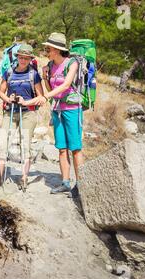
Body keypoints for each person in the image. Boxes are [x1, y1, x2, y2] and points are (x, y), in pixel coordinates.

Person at [0, 44, 46, 190]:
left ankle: (24, 178)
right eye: (21, 57)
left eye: (26, 58)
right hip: (10, 112)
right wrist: (8, 99)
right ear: (17, 57)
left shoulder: (34, 75)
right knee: (2, 143)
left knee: (26, 145)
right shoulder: (9, 72)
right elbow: (1, 92)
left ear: (30, 59)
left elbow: (41, 97)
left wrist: (26, 102)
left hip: (28, 113)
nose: (23, 60)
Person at [42, 32, 84, 198]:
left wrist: (45, 97)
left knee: (75, 149)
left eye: (49, 48)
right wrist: (45, 77)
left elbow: (66, 85)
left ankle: (81, 185)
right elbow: (51, 89)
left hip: (72, 110)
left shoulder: (71, 63)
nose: (47, 51)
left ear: (57, 49)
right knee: (61, 148)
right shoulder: (50, 65)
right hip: (57, 110)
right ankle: (65, 183)